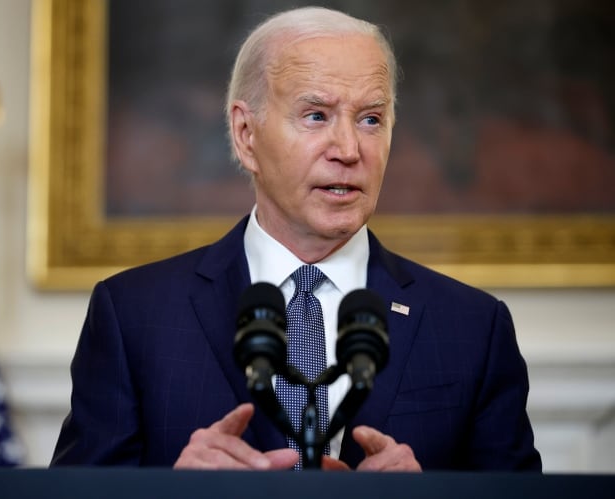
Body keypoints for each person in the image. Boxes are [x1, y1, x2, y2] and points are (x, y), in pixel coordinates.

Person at [51, 6, 542, 472]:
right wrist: (173, 493)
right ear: (246, 135)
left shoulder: (474, 328)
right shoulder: (134, 315)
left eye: (371, 119)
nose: (349, 150)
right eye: (316, 116)